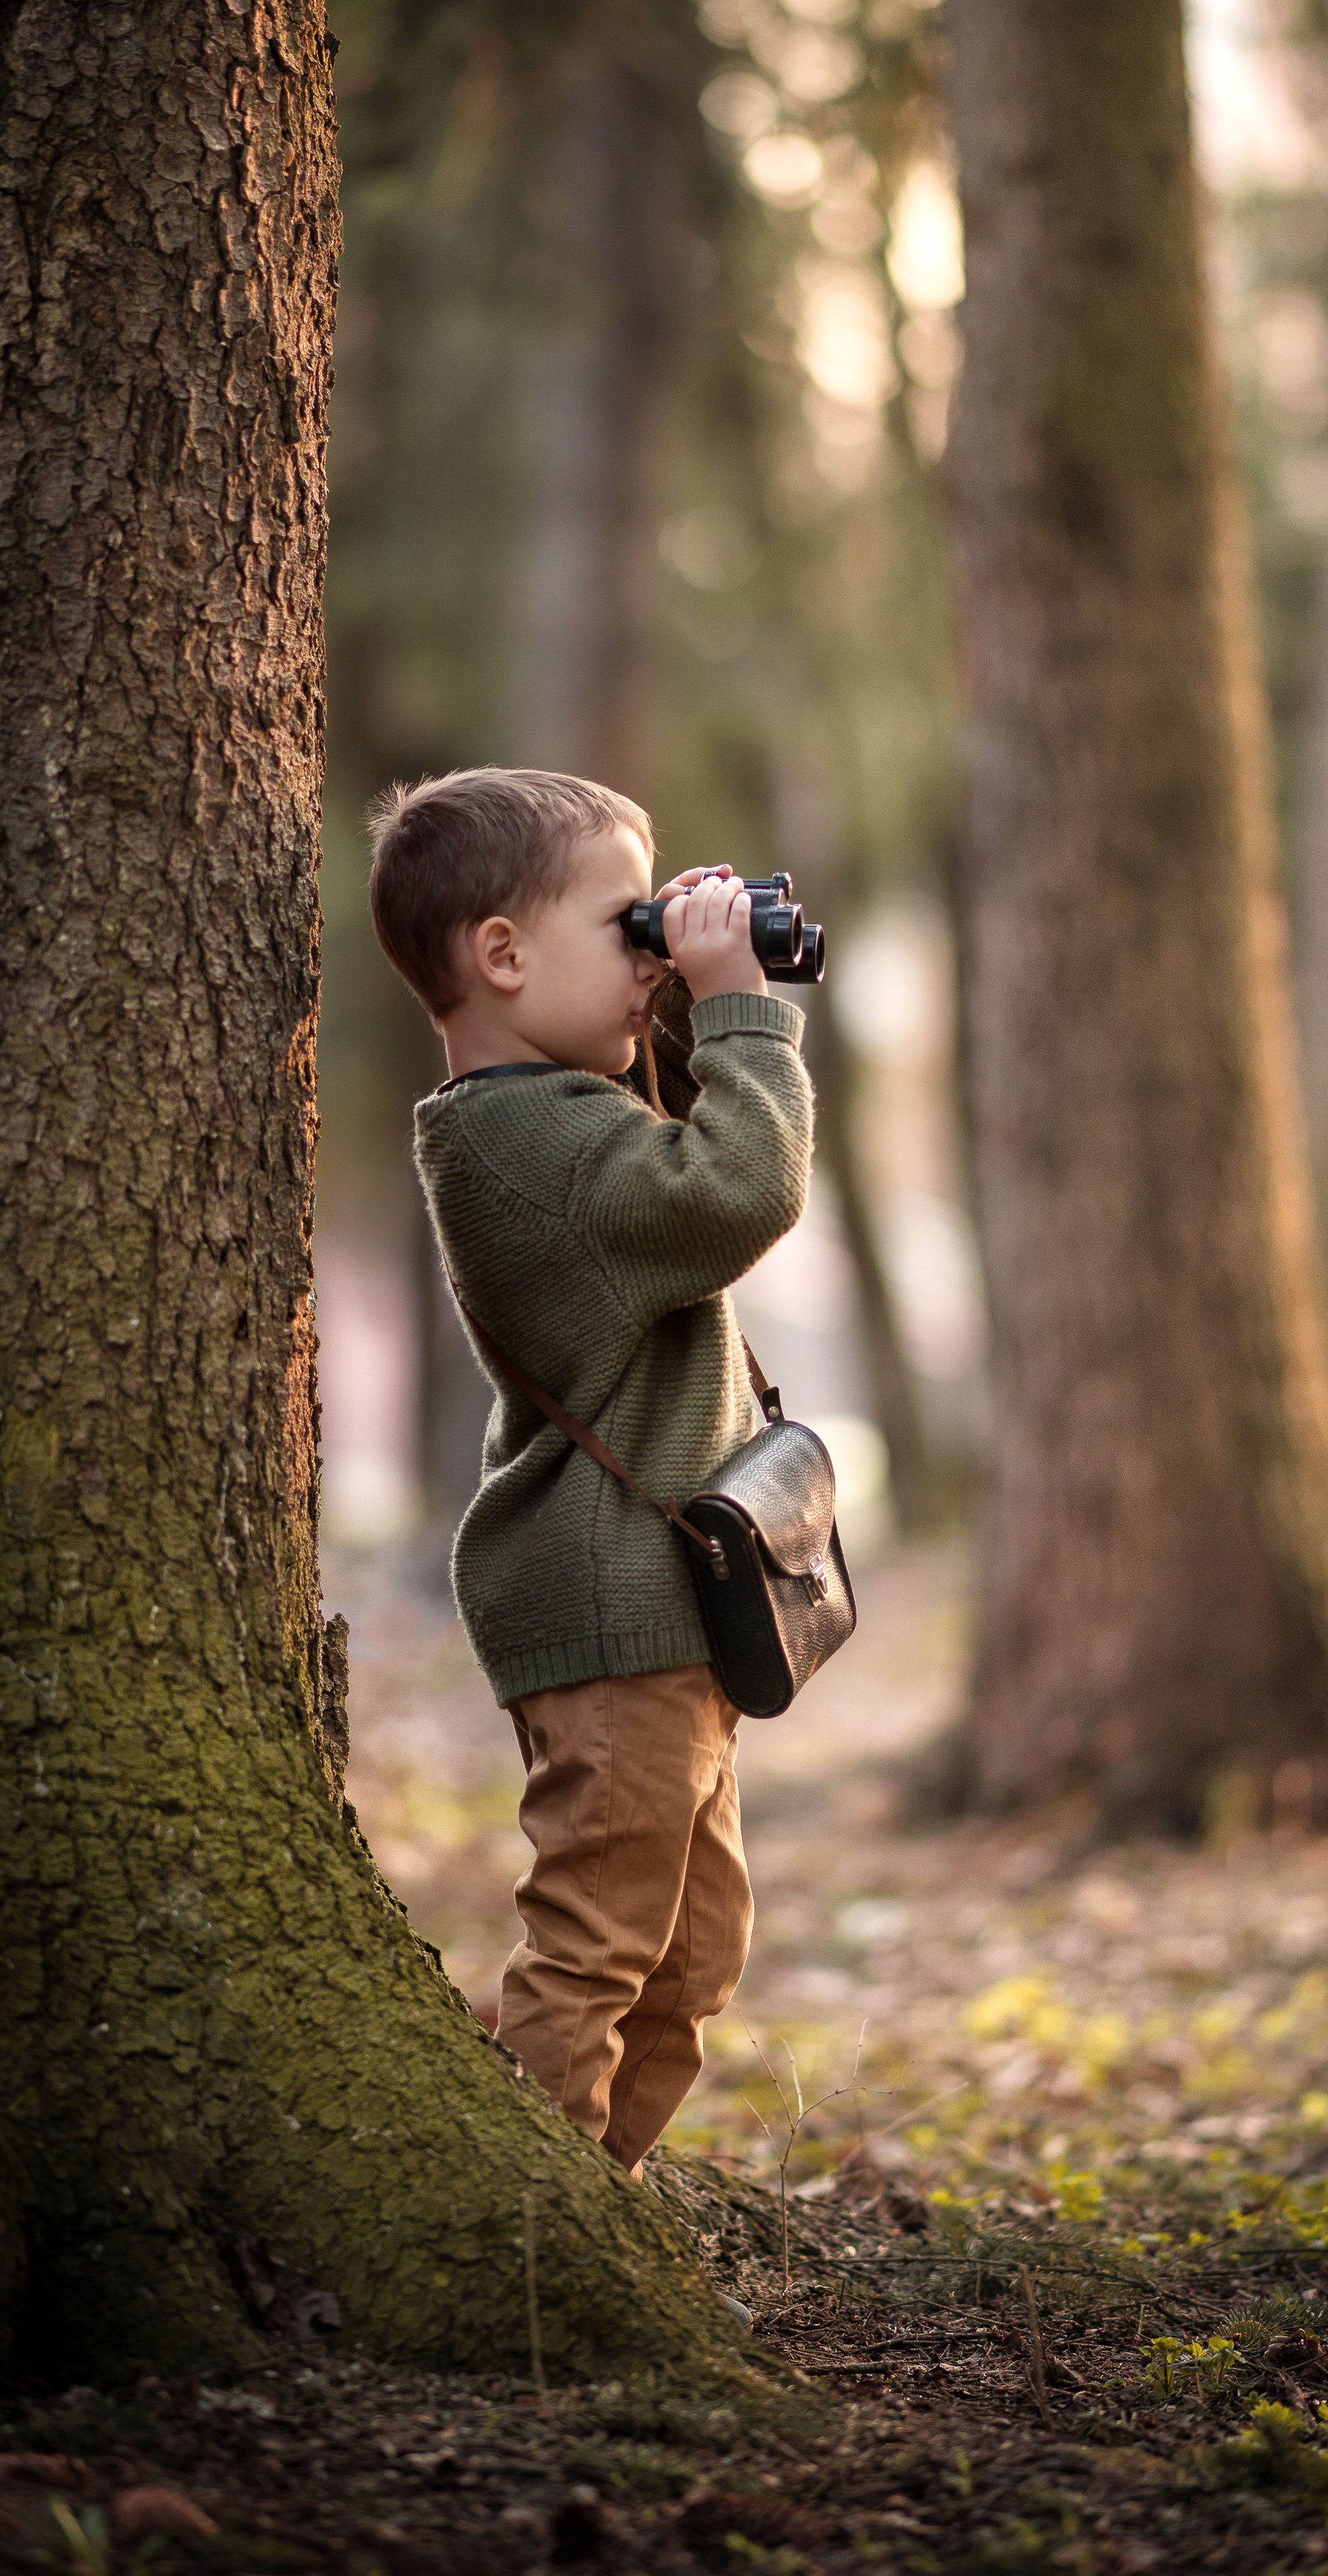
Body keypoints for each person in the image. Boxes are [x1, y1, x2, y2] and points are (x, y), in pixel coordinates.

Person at [367, 765, 813, 2176]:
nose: (647, 966)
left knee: (687, 1960)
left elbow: (680, 1151)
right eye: (622, 931)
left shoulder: (554, 1115)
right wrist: (738, 1003)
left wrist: (682, 983)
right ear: (500, 954)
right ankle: (530, 2236)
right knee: (599, 1948)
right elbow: (732, 1189)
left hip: (660, 1611)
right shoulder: (522, 1145)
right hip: (613, 1613)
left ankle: (589, 2202)